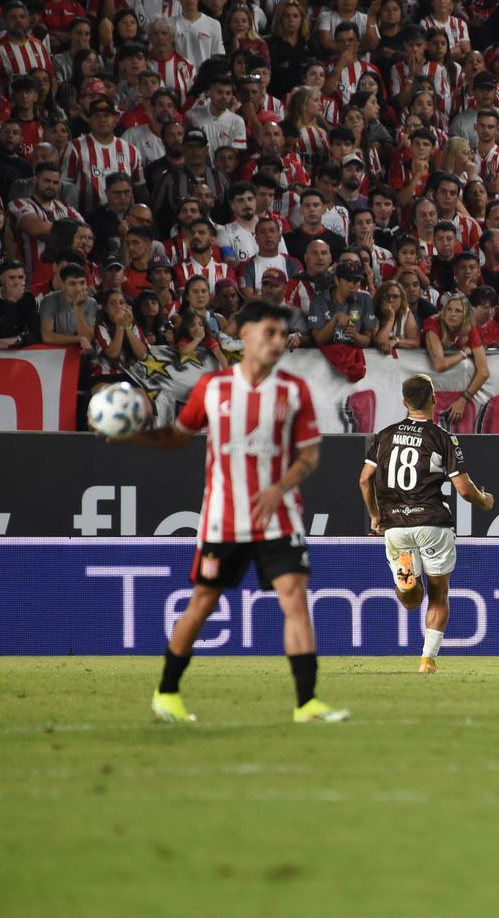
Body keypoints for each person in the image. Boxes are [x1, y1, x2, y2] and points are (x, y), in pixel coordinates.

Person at [119, 302, 349, 724]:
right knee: (203, 603)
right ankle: (166, 693)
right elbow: (177, 437)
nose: (278, 341)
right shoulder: (213, 387)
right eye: (270, 332)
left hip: (278, 518)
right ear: (244, 334)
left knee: (294, 599)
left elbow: (310, 457)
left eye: (283, 334)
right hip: (222, 520)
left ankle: (307, 703)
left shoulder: (293, 391)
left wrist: (279, 487)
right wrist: (129, 438)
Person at [360, 374, 495, 674]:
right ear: (434, 399)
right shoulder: (441, 438)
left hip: (396, 525)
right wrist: (484, 500)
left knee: (411, 600)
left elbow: (364, 479)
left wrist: (374, 515)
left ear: (404, 402)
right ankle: (427, 660)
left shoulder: (383, 437)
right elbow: (463, 488)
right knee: (438, 594)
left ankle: (406, 580)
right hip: (432, 522)